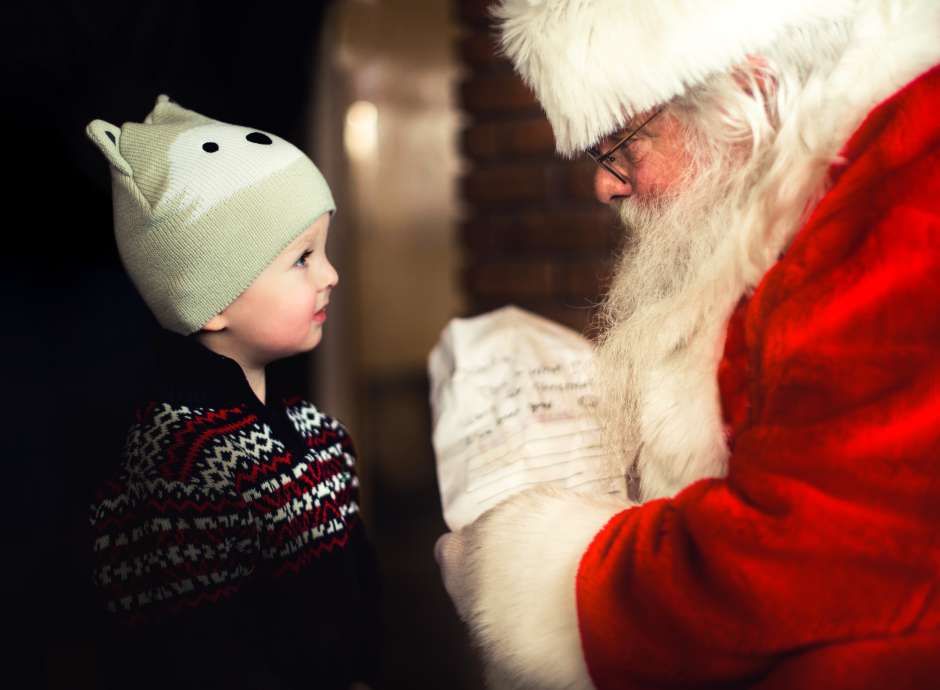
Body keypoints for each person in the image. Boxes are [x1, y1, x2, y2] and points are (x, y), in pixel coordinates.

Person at [435, 1, 940, 688]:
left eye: (621, 144)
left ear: (748, 89)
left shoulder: (910, 193)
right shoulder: (834, 186)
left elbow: (807, 562)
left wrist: (533, 575)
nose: (605, 184)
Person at [86, 95, 381, 690]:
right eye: (302, 259)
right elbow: (199, 658)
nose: (330, 275)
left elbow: (360, 611)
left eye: (322, 251)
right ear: (212, 300)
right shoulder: (175, 467)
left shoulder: (320, 437)